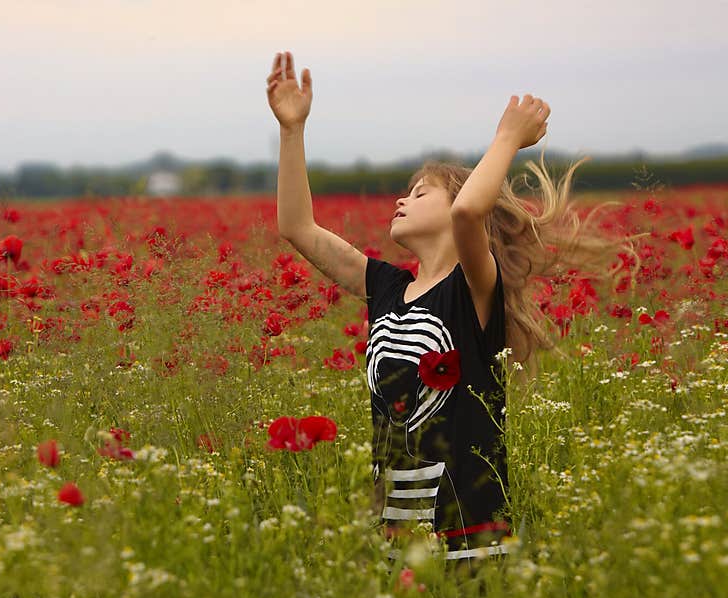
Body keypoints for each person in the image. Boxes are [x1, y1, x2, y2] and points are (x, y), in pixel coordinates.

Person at [266, 50, 626, 565]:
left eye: (419, 192)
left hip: (466, 535)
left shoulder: (474, 288)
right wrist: (291, 130)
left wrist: (506, 137)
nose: (401, 200)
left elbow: (469, 210)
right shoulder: (387, 289)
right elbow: (297, 228)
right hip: (396, 535)